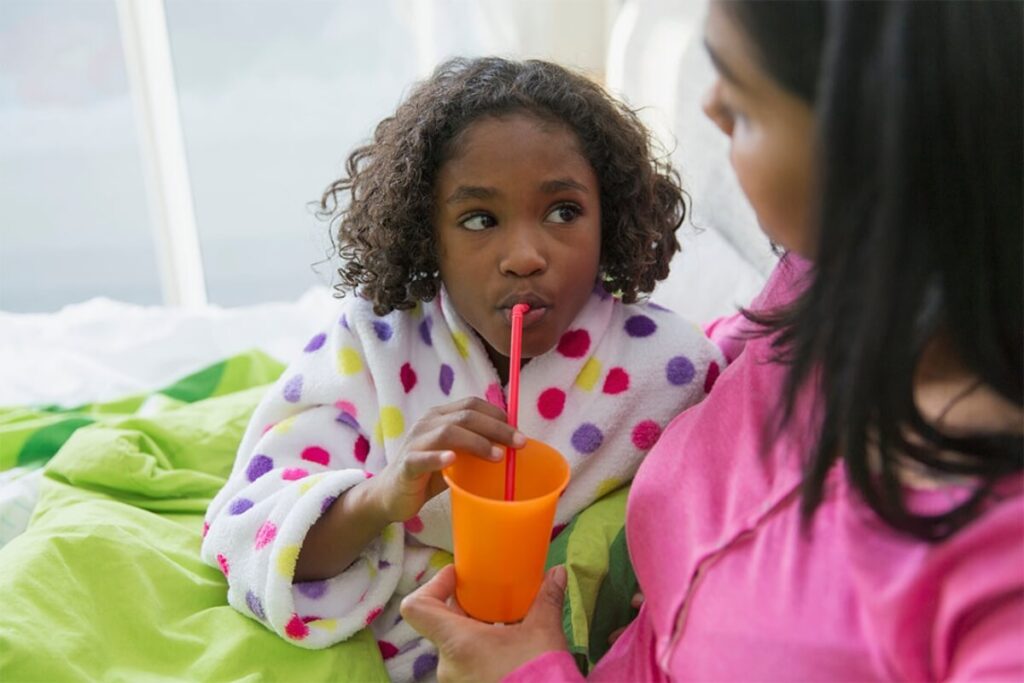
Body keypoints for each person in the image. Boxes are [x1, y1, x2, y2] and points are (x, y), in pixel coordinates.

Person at [400, 2, 1024, 681]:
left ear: (879, 143)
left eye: (746, 105)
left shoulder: (1000, 581)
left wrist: (527, 672)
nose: (710, 107)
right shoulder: (822, 283)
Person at [200, 56, 723, 682]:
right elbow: (250, 536)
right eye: (480, 220)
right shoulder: (376, 343)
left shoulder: (670, 370)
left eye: (563, 211)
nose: (526, 256)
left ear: (609, 215)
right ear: (429, 236)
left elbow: (712, 551)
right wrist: (379, 496)